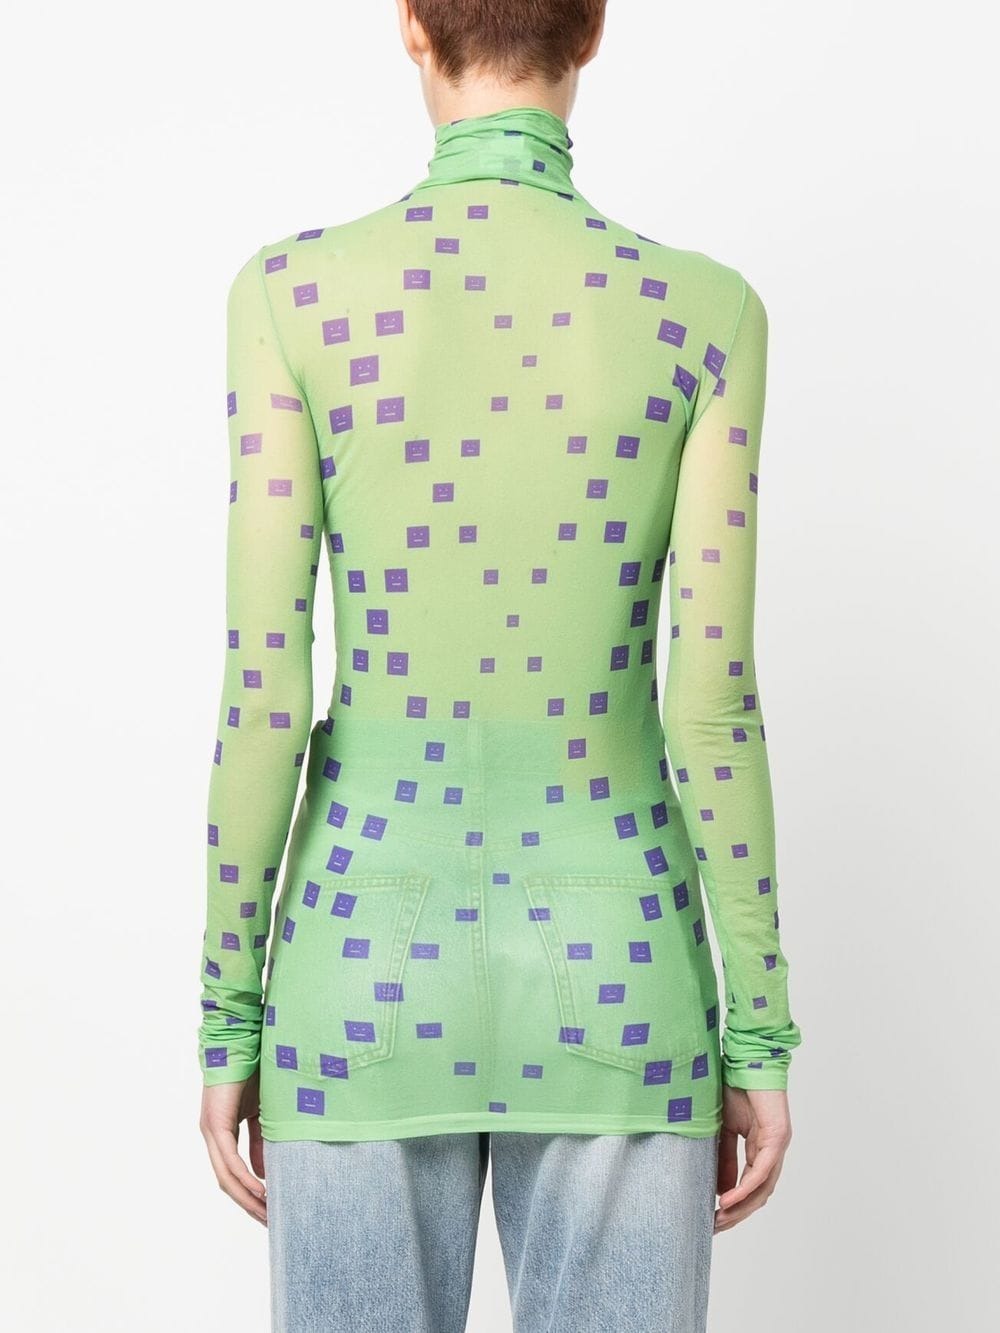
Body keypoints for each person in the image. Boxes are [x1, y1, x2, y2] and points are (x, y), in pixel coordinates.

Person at [197, 1, 802, 1328]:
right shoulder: (707, 312)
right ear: (593, 32)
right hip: (619, 964)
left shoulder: (291, 295)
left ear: (413, 26)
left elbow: (265, 694)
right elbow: (711, 701)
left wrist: (229, 1017)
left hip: (357, 969)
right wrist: (757, 1029)